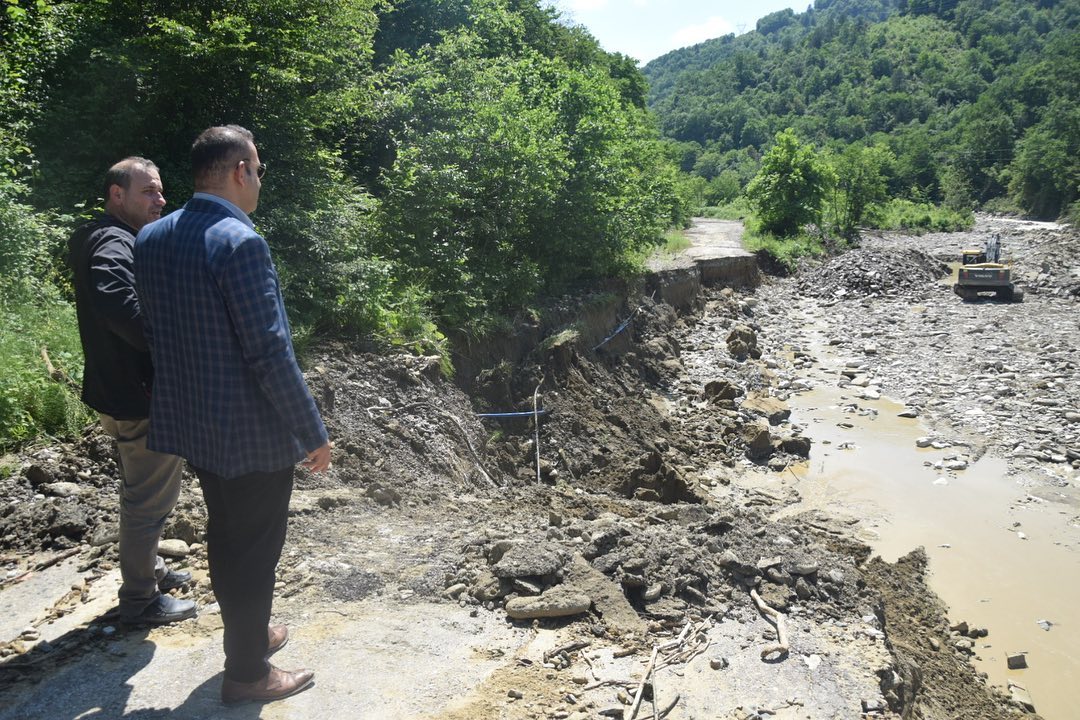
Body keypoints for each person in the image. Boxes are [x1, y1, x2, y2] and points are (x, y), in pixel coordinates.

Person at [134, 125, 331, 705]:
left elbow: (159, 332)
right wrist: (311, 430)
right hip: (250, 432)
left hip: (195, 424)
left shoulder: (153, 236)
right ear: (240, 170)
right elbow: (269, 351)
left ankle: (250, 633)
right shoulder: (240, 242)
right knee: (255, 550)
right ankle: (246, 672)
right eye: (260, 170)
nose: (260, 181)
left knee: (228, 537)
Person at [67, 157, 197, 625]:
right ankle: (140, 599)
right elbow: (116, 301)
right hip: (140, 397)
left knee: (141, 493)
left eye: (160, 191)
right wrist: (171, 343)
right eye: (148, 191)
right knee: (147, 501)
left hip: (115, 390)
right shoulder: (114, 241)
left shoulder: (96, 233)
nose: (159, 200)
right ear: (116, 195)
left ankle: (152, 568)